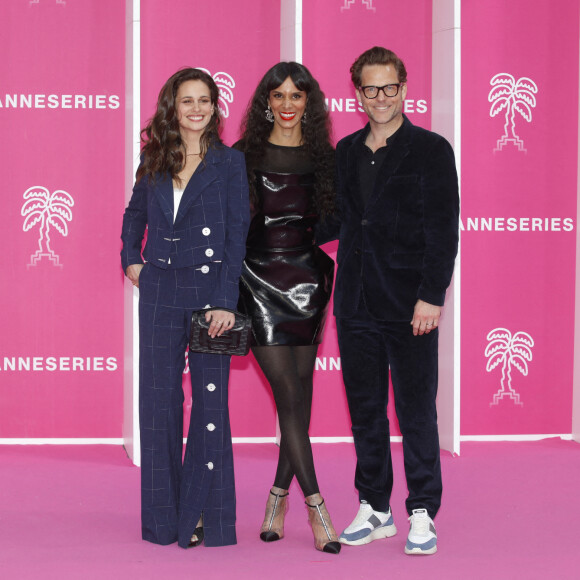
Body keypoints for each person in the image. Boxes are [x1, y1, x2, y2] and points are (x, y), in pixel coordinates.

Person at [329, 47, 459, 555]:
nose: (380, 98)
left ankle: (422, 510)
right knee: (365, 411)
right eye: (369, 88)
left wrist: (431, 296)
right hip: (355, 301)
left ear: (404, 88)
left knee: (415, 411)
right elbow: (340, 219)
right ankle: (375, 506)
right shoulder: (345, 150)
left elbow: (442, 230)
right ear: (357, 92)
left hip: (410, 306)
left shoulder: (431, 149)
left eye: (389, 87)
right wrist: (274, 227)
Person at [120, 68, 250, 549]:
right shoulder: (153, 157)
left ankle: (205, 517)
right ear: (172, 107)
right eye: (185, 100)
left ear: (215, 107)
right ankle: (161, 521)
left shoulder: (230, 163)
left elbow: (237, 236)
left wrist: (225, 302)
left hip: (208, 295)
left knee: (210, 406)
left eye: (203, 100)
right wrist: (132, 259)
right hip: (159, 292)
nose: (195, 108)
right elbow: (134, 216)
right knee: (157, 407)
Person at [235, 62, 340, 554]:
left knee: (298, 395)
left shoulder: (326, 158)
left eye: (296, 96)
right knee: (289, 397)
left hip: (308, 280)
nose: (287, 105)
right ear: (266, 104)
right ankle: (317, 504)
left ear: (308, 104)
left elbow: (342, 219)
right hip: (256, 281)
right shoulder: (242, 155)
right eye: (278, 96)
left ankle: (278, 496)